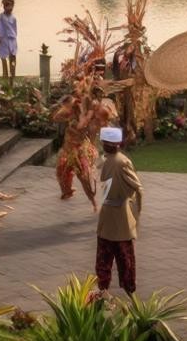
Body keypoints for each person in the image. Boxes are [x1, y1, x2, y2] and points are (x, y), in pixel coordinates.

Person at [94, 126, 143, 294]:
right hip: (117, 215)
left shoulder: (121, 162)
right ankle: (117, 292)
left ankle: (106, 292)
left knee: (113, 257)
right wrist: (135, 211)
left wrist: (134, 210)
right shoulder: (108, 160)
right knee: (122, 257)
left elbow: (136, 186)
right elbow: (137, 189)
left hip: (115, 215)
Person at [50, 77, 109, 209]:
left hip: (79, 148)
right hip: (67, 148)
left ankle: (93, 202)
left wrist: (88, 117)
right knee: (61, 171)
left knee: (84, 177)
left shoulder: (90, 110)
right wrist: (69, 111)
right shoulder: (71, 109)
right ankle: (67, 192)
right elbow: (56, 117)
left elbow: (93, 123)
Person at [0, 0, 18, 88]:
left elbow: (15, 30)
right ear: (4, 6)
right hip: (3, 40)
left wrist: (14, 39)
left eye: (12, 6)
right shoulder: (0, 17)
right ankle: (5, 80)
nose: (10, 8)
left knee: (13, 60)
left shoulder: (13, 18)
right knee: (4, 60)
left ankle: (12, 79)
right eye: (8, 5)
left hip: (12, 41)